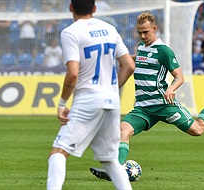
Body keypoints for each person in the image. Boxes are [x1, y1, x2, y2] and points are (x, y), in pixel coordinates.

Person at [89, 12, 204, 181]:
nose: (142, 35)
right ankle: (115, 171)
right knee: (122, 132)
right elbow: (139, 59)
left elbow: (179, 76)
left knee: (198, 129)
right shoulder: (141, 47)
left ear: (155, 29)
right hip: (143, 107)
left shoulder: (163, 51)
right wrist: (123, 59)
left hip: (163, 104)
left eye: (146, 32)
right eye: (140, 32)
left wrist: (171, 89)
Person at [46, 0, 135, 190]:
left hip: (88, 99)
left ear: (71, 7)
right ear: (94, 8)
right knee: (110, 160)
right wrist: (110, 89)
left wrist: (62, 103)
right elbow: (129, 65)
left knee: (58, 152)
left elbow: (73, 73)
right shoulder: (110, 29)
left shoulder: (70, 32)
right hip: (112, 101)